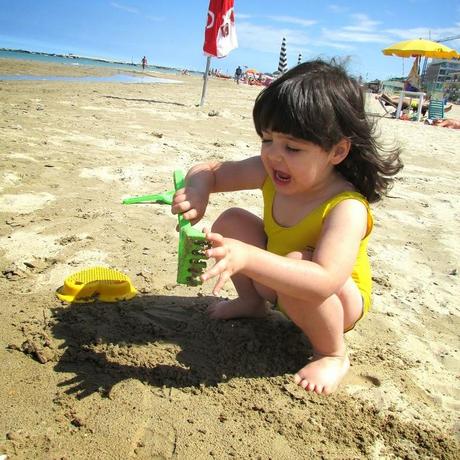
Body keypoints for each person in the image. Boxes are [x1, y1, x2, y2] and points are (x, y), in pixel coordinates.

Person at [172, 59, 403, 395]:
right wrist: (197, 192)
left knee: (298, 262)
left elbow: (323, 281)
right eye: (267, 140)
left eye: (292, 148)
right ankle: (252, 303)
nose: (274, 156)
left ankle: (332, 353)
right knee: (232, 220)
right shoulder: (270, 170)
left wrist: (248, 258)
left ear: (337, 151)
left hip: (334, 304)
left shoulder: (346, 207)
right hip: (280, 281)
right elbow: (210, 169)